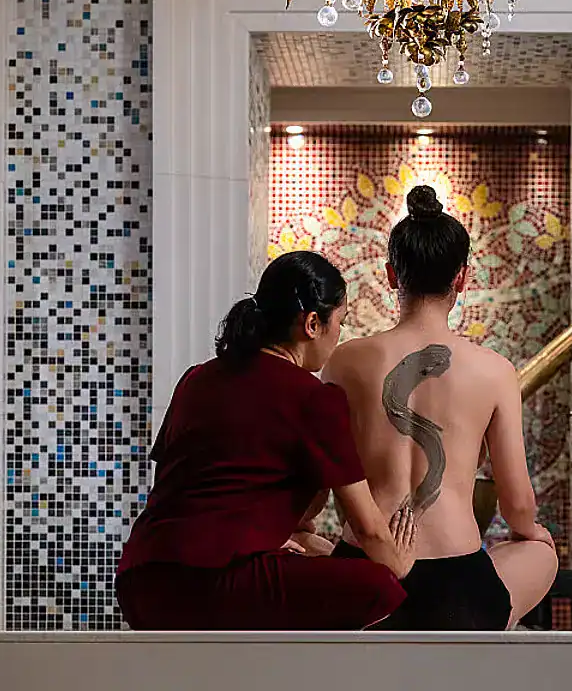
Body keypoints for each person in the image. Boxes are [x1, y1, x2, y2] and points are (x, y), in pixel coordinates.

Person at [116, 251, 416, 630]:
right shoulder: (314, 397)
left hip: (139, 580)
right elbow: (369, 528)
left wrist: (268, 542)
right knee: (381, 587)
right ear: (311, 324)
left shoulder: (196, 379)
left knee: (310, 560)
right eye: (340, 322)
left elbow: (182, 492)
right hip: (210, 584)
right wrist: (400, 564)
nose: (340, 335)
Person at [322, 185, 558, 630]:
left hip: (366, 575)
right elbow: (517, 506)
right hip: (457, 594)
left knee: (314, 545)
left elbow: (320, 474)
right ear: (462, 279)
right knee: (538, 552)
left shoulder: (344, 359)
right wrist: (532, 533)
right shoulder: (495, 371)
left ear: (392, 275)